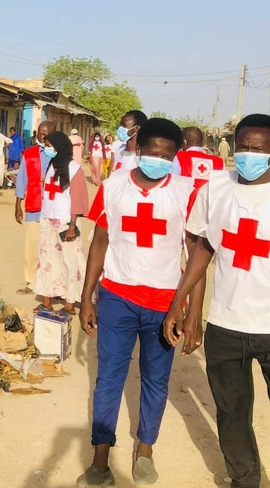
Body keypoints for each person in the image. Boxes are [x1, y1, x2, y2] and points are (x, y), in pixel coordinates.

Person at [78, 118, 199, 487]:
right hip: (117, 296)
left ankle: (144, 449)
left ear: (175, 156)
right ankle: (101, 457)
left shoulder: (185, 191)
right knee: (108, 379)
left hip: (165, 304)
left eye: (167, 155)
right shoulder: (113, 186)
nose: (158, 160)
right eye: (152, 153)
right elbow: (100, 243)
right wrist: (87, 297)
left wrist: (191, 312)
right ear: (138, 150)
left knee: (156, 379)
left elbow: (197, 257)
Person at [164, 113, 270, 488]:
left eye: (258, 148)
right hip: (226, 323)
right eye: (244, 146)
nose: (249, 154)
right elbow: (203, 247)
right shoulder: (216, 186)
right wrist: (183, 305)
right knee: (232, 411)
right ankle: (244, 479)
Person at [34, 131, 89, 313]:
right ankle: (47, 298)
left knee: (70, 261)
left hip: (66, 222)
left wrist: (72, 225)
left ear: (60, 147)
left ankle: (70, 302)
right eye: (46, 145)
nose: (48, 149)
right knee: (47, 260)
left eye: (50, 146)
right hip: (48, 219)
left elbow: (78, 199)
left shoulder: (75, 169)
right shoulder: (51, 165)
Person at [14, 120, 57, 295]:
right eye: (40, 132)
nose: (42, 136)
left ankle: (52, 282)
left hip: (54, 206)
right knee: (32, 245)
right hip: (34, 204)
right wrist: (18, 205)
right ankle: (31, 282)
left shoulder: (59, 154)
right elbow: (21, 179)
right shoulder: (29, 153)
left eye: (46, 133)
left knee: (52, 246)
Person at [172, 126, 224, 210]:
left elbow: (172, 185)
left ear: (184, 141)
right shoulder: (219, 162)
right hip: (208, 210)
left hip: (184, 208)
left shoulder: (177, 157)